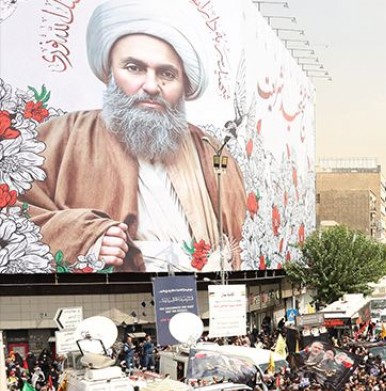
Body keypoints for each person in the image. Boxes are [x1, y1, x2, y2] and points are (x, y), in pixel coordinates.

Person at [22, 0, 245, 272]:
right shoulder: (61, 137)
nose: (151, 86)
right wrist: (88, 236)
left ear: (183, 84)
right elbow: (15, 215)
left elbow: (237, 239)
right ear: (109, 72)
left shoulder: (213, 152)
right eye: (134, 68)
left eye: (166, 74)